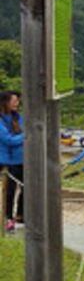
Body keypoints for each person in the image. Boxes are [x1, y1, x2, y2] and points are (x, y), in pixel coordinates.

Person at [0, 91, 24, 232]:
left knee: (25, 188)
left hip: (21, 158)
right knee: (9, 190)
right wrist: (26, 136)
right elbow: (8, 140)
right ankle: (7, 217)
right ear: (5, 102)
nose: (17, 103)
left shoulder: (17, 117)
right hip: (7, 160)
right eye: (14, 101)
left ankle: (21, 215)